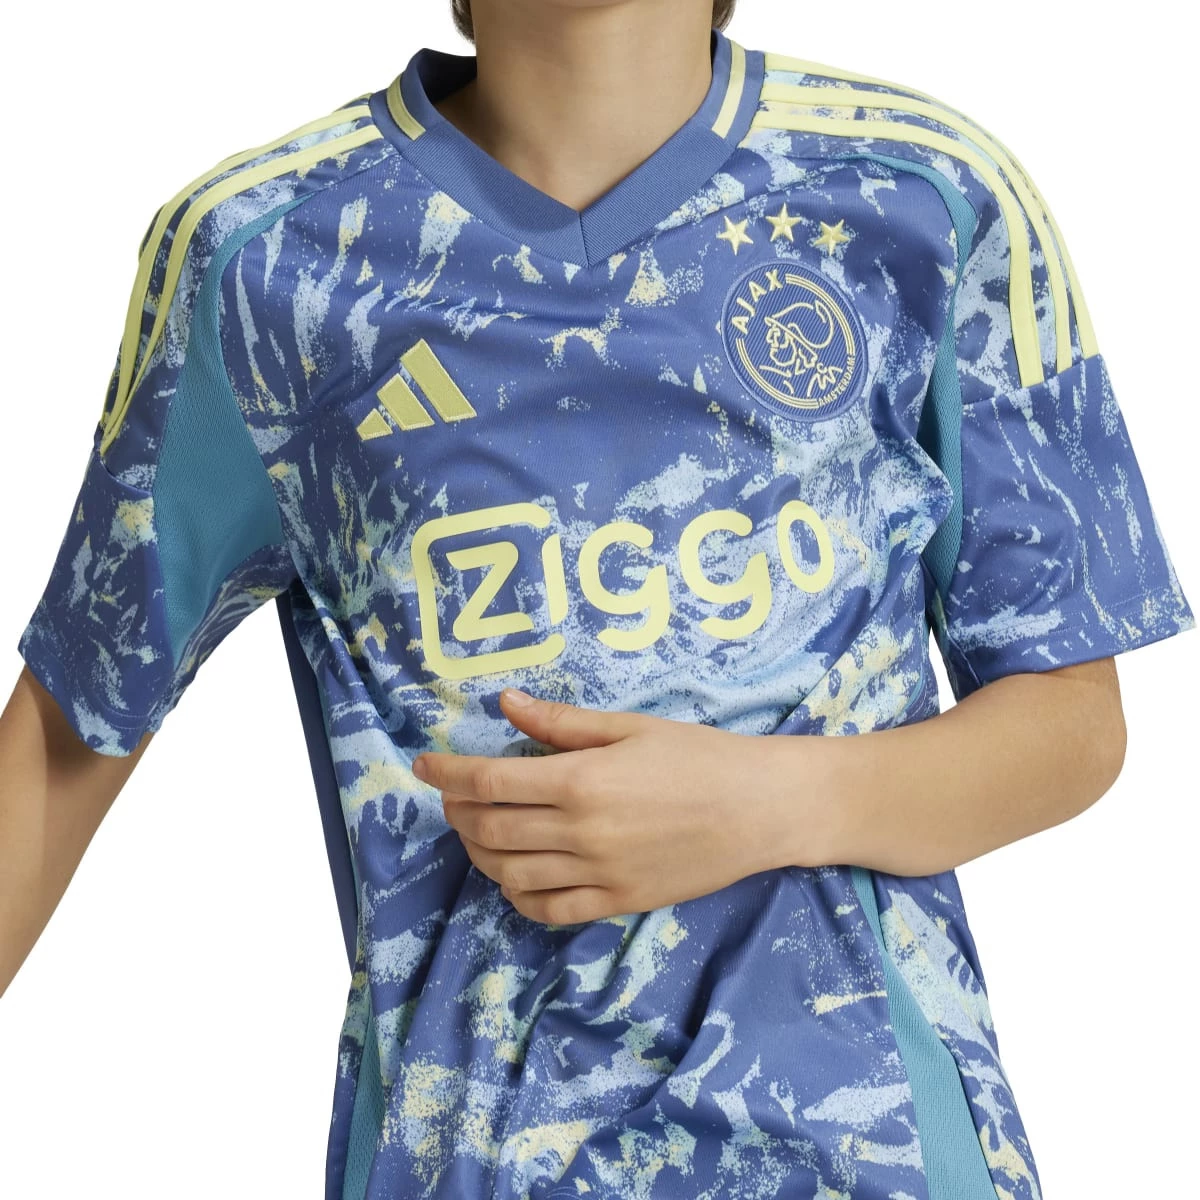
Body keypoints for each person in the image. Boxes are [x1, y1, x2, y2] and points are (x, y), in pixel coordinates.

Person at [1, 0, 1193, 1197]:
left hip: (877, 1159)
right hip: (466, 1159)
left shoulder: (924, 193)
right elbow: (61, 744)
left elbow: (1072, 722)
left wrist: (764, 805)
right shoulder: (264, 258)